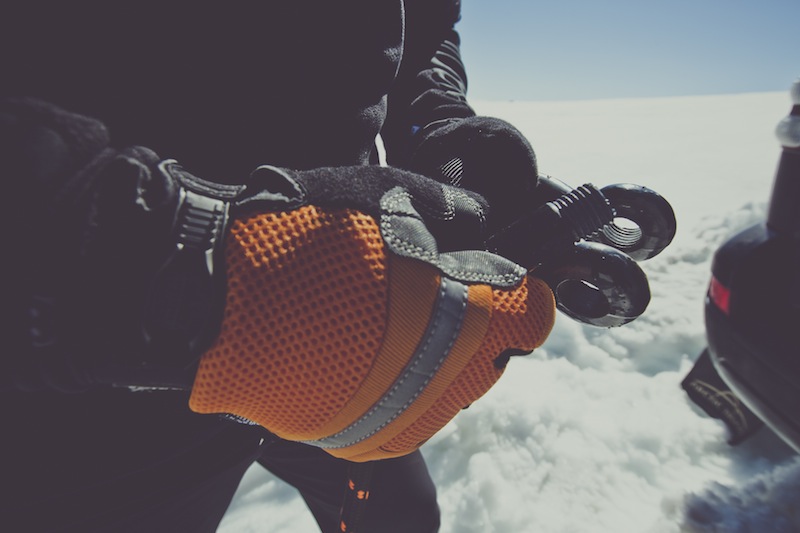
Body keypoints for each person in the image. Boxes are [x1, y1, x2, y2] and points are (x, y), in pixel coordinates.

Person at [0, 2, 555, 532]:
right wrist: (176, 257)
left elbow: (424, 30)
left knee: (400, 518)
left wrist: (436, 124)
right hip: (100, 383)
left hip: (349, 310)